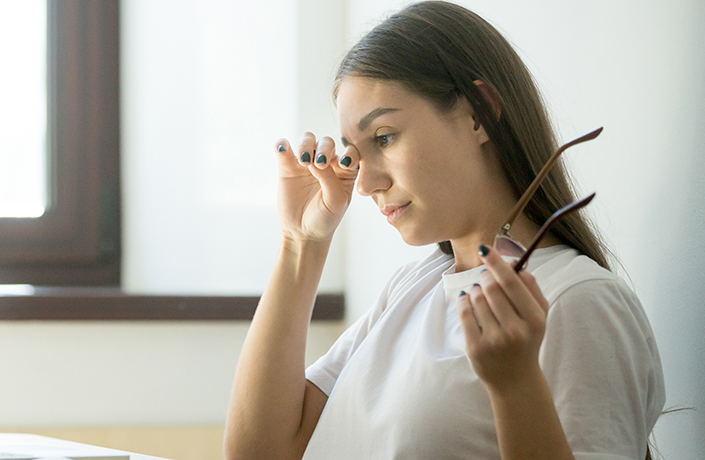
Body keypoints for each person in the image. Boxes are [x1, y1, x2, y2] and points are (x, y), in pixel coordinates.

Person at [223, 2, 665, 459]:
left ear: (480, 113)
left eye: (384, 137)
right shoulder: (413, 287)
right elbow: (260, 452)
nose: (366, 183)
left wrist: (515, 385)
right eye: (356, 152)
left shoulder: (577, 301)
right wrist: (302, 245)